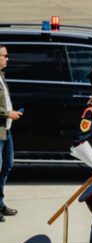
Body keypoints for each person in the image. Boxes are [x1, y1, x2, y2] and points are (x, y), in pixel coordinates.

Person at [0, 45, 22, 221]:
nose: (7, 59)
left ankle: (0, 204)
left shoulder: (1, 76)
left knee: (7, 165)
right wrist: (8, 113)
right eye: (4, 56)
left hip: (6, 130)